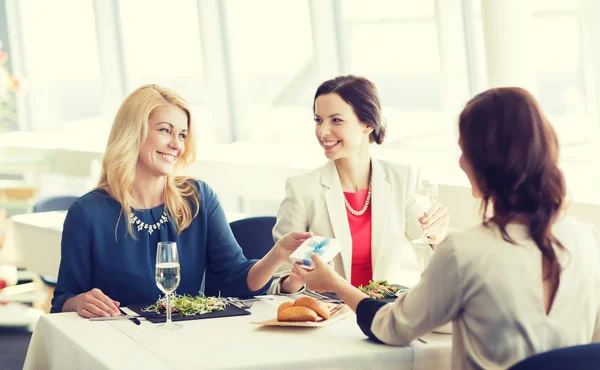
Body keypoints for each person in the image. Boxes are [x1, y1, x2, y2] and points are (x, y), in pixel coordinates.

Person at [294, 87, 600, 370]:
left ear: (483, 162)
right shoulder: (588, 237)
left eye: (464, 150)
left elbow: (393, 328)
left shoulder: (465, 251)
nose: (461, 162)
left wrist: (334, 283)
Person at [51, 84, 310, 317]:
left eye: (183, 135)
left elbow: (236, 277)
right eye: (165, 131)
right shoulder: (87, 212)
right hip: (118, 343)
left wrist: (278, 255)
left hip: (187, 340)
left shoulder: (198, 198)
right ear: (133, 133)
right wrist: (78, 302)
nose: (176, 144)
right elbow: (64, 299)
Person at [273, 75, 450, 290]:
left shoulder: (400, 179)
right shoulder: (302, 188)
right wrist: (294, 281)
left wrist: (437, 238)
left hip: (381, 310)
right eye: (318, 120)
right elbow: (279, 281)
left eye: (336, 120)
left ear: (367, 124)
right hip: (326, 314)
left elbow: (428, 255)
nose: (322, 131)